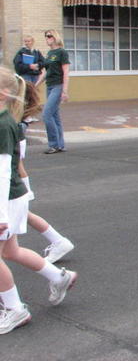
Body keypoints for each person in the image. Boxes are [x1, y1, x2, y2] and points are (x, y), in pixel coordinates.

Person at [0, 67, 77, 335]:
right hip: (10, 197)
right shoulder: (4, 120)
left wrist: (0, 216)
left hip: (7, 198)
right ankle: (59, 277)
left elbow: (2, 170)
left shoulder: (3, 124)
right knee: (10, 252)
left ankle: (14, 309)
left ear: (2, 94)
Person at [16, 79, 75, 262]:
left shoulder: (13, 127)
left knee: (10, 245)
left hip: (13, 185)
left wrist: (25, 191)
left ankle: (57, 271)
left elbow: (17, 165)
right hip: (14, 185)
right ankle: (58, 243)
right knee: (22, 218)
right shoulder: (13, 124)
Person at [36, 29, 70, 154]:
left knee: (46, 114)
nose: (47, 38)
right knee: (55, 116)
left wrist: (64, 91)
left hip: (58, 85)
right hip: (49, 86)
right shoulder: (49, 53)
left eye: (49, 36)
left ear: (55, 37)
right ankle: (60, 145)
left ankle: (54, 144)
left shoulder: (62, 52)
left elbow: (66, 72)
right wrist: (36, 85)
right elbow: (45, 72)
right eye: (46, 36)